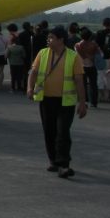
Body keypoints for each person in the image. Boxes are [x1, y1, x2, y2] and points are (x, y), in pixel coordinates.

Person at [27, 25, 88, 178]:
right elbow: (33, 72)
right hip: (46, 100)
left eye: (51, 38)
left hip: (65, 102)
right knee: (49, 131)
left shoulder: (73, 56)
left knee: (62, 132)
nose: (48, 40)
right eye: (48, 37)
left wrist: (82, 102)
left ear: (61, 40)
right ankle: (53, 160)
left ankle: (64, 165)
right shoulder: (43, 53)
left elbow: (79, 80)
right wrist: (29, 88)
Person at [75, 28, 100, 108]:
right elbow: (99, 55)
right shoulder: (94, 45)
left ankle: (84, 101)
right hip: (92, 66)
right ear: (90, 36)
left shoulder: (77, 45)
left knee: (83, 85)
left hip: (82, 67)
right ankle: (94, 102)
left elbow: (77, 56)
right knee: (93, 85)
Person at [7, 27, 26, 93]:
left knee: (13, 75)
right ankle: (19, 86)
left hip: (12, 63)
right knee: (19, 75)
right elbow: (24, 55)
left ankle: (12, 87)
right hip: (20, 63)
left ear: (13, 41)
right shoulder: (21, 47)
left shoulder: (10, 48)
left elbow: (7, 55)